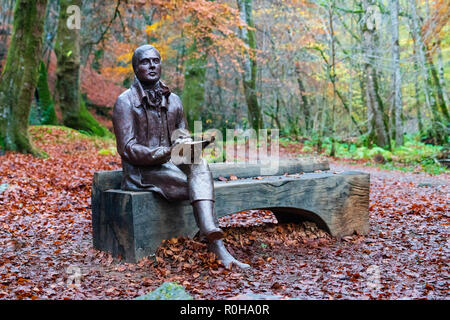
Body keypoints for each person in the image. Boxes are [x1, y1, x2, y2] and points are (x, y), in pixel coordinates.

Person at [112, 44, 249, 269]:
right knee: (198, 187)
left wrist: (189, 144)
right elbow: (127, 148)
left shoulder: (173, 99)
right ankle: (217, 246)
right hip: (142, 172)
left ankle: (209, 231)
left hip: (171, 163)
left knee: (199, 163)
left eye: (156, 60)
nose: (152, 65)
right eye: (145, 62)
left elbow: (181, 135)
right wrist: (162, 153)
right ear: (135, 68)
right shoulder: (125, 102)